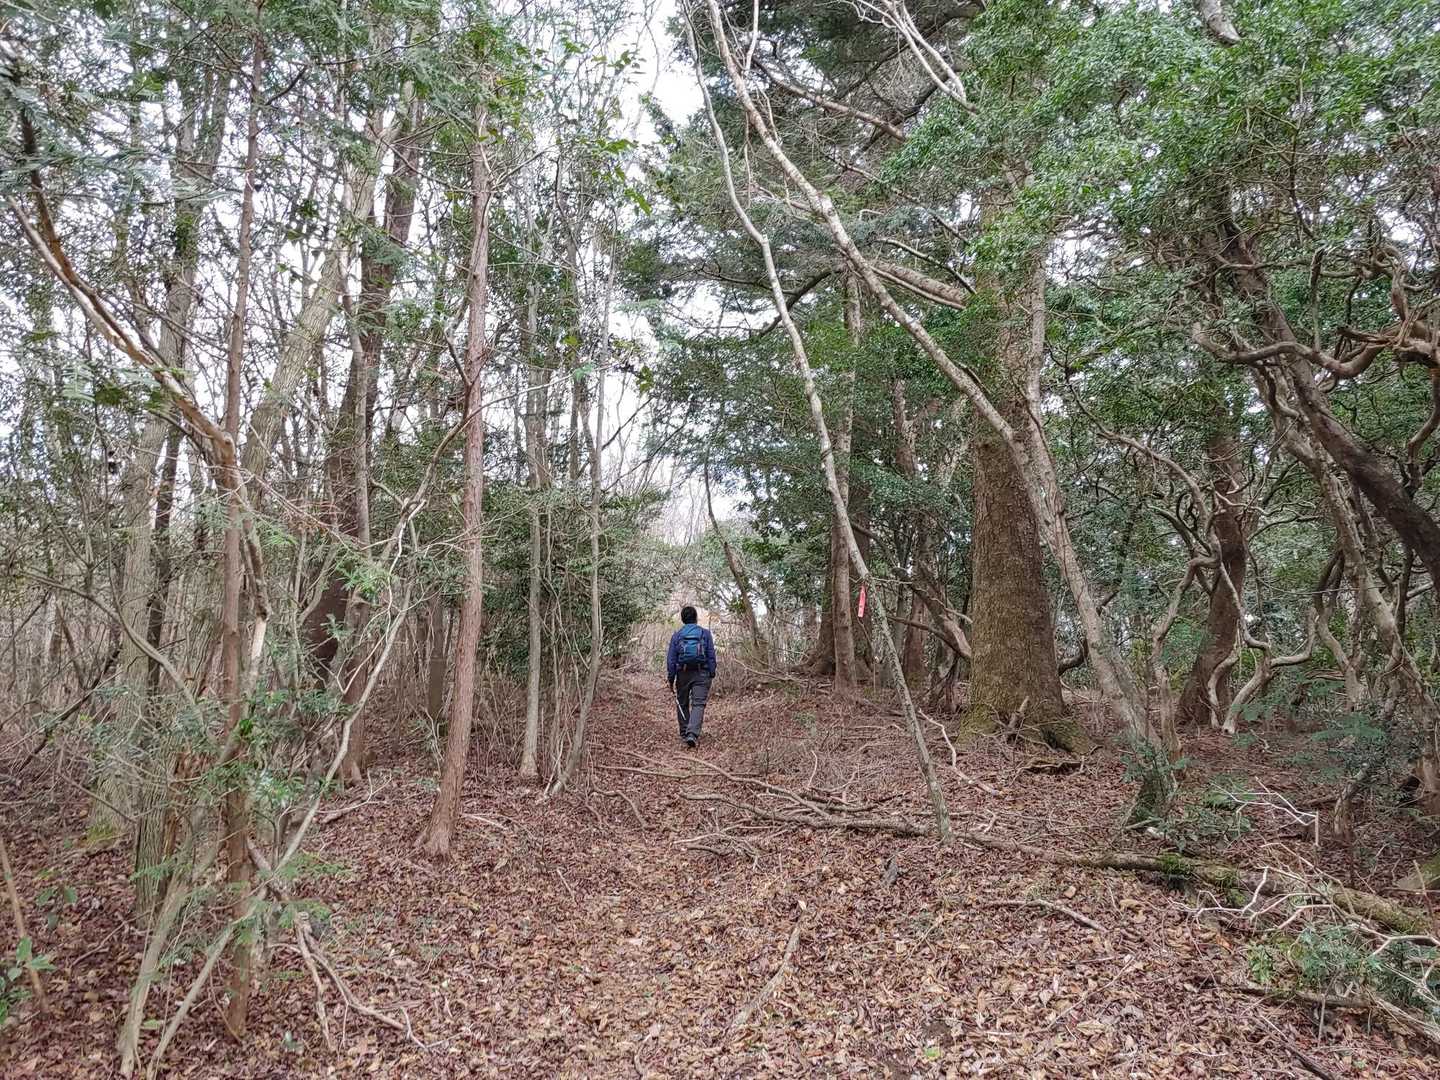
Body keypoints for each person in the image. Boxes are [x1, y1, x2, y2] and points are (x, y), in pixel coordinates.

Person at [666, 605, 717, 748]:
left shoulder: (677, 635)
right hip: (702, 673)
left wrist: (671, 678)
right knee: (698, 704)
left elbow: (671, 659)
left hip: (682, 673)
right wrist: (711, 672)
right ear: (696, 618)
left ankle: (685, 733)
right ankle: (692, 734)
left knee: (682, 703)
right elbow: (711, 655)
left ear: (683, 619)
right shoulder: (705, 634)